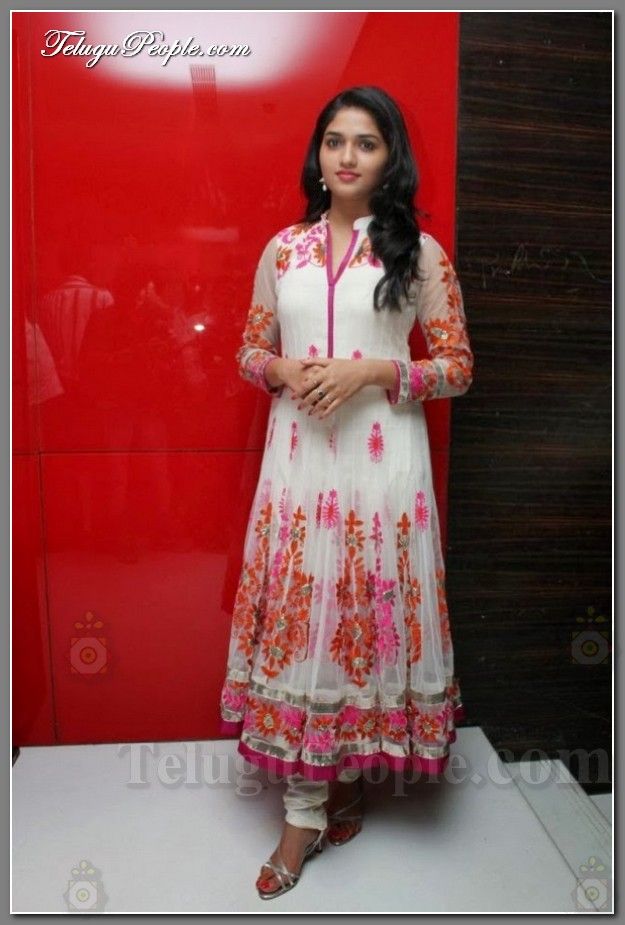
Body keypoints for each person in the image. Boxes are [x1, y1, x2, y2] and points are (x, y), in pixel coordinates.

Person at [219, 85, 474, 900]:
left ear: (390, 157)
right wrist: (281, 367)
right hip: (298, 473)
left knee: (361, 619)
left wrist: (374, 372)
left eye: (366, 142)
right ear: (317, 154)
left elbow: (458, 367)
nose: (347, 155)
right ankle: (304, 812)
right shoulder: (283, 250)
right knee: (307, 625)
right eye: (335, 140)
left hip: (381, 473)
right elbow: (247, 350)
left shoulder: (418, 253)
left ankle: (346, 783)